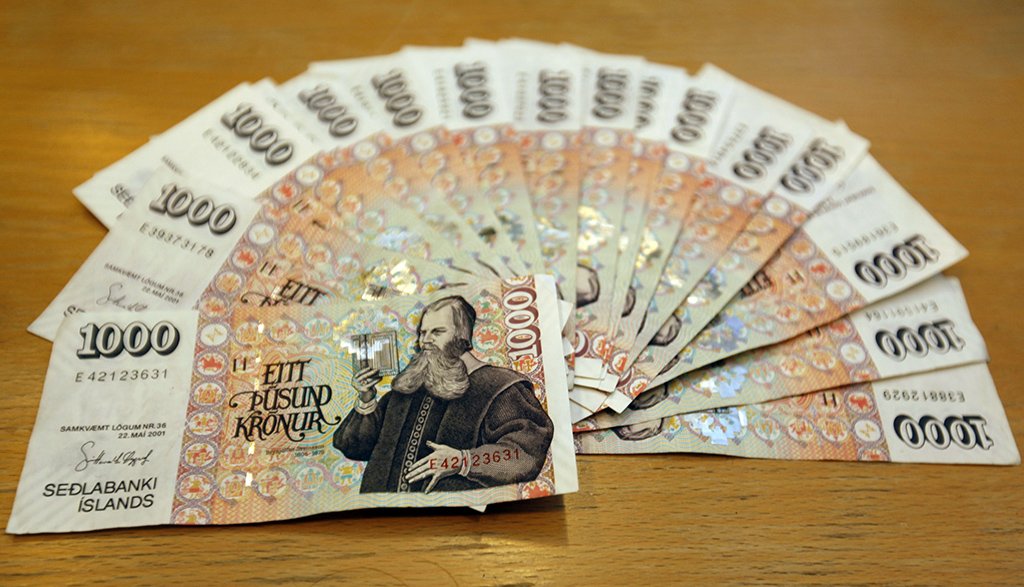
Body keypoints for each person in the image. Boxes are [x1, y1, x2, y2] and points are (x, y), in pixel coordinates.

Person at [333, 296, 555, 493]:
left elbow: (525, 455)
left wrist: (463, 461)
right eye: (423, 333)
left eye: (437, 332)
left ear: (462, 337)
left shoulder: (501, 386)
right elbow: (354, 448)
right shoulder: (407, 389)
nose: (425, 341)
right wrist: (366, 399)